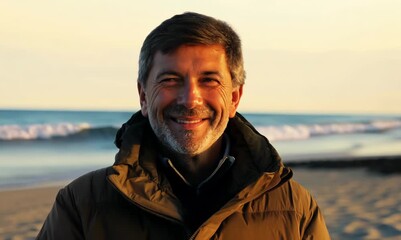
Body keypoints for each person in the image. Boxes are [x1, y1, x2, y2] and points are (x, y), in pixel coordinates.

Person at [37, 12, 330, 239]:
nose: (190, 99)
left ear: (234, 97)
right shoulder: (81, 203)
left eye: (209, 80)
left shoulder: (295, 208)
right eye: (170, 80)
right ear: (142, 95)